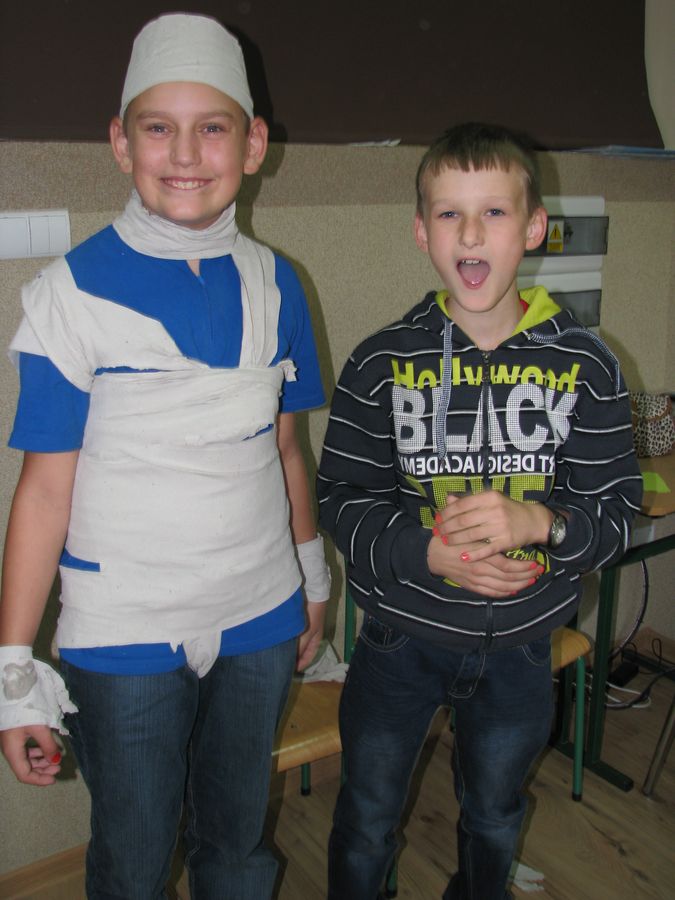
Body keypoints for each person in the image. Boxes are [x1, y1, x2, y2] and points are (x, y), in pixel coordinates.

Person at [0, 13, 330, 900]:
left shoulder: (277, 283)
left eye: (212, 127)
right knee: (135, 859)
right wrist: (13, 673)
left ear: (253, 144)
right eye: (158, 127)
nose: (185, 153)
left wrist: (313, 578)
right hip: (125, 633)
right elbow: (43, 493)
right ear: (121, 142)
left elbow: (285, 448)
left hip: (259, 614)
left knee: (237, 845)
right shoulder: (68, 297)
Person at [317, 122, 642, 900]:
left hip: (521, 651)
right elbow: (341, 498)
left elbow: (616, 514)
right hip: (399, 641)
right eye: (449, 213)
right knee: (365, 818)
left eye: (493, 212)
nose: (470, 233)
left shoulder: (588, 365)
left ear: (532, 228)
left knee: (493, 817)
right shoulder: (380, 361)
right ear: (420, 231)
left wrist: (542, 526)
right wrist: (423, 553)